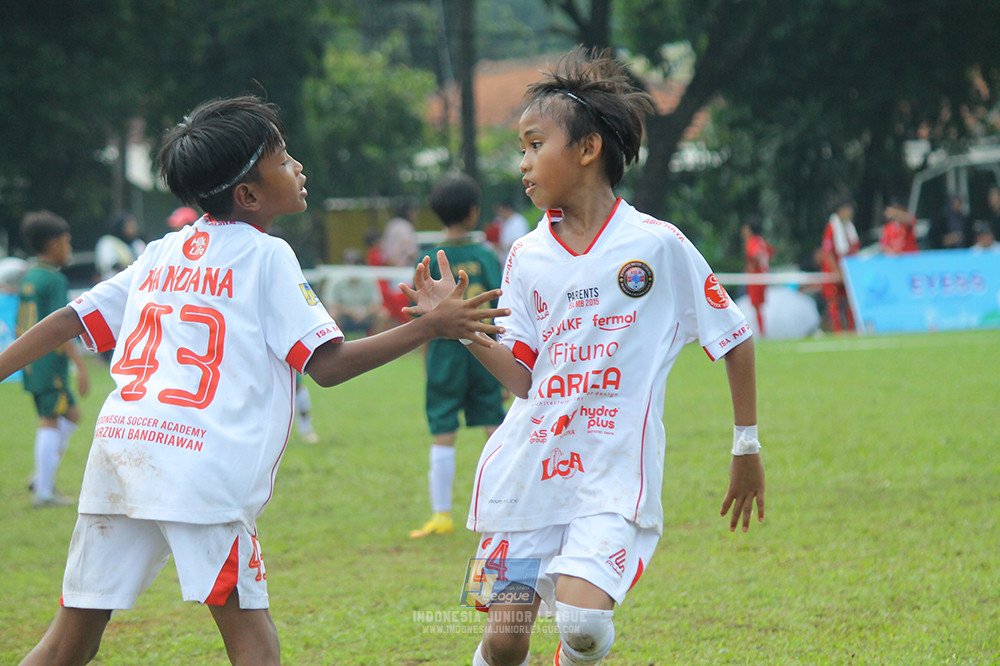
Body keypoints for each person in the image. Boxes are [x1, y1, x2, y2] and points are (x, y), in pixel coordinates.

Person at [0, 95, 506, 666]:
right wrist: (430, 326)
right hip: (201, 470)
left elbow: (69, 319)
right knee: (254, 644)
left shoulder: (164, 251)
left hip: (119, 454)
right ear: (248, 195)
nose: (299, 167)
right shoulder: (267, 255)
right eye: (284, 160)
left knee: (68, 641)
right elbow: (328, 365)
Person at [403, 48, 764, 666]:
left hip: (612, 476)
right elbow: (523, 379)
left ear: (588, 149)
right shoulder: (525, 256)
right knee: (505, 640)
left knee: (585, 625)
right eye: (520, 148)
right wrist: (463, 330)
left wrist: (746, 447)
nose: (523, 163)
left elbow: (734, 338)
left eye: (534, 144)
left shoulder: (657, 246)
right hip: (527, 471)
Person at [409, 174, 507, 540]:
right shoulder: (486, 255)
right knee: (494, 426)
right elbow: (500, 304)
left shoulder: (427, 259)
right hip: (484, 348)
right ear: (473, 211)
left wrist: (426, 360)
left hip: (444, 352)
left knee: (442, 430)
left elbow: (419, 314)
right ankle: (506, 506)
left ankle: (442, 515)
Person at [16, 211, 90, 507]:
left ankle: (41, 478)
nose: (69, 248)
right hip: (48, 362)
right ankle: (44, 492)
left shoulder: (30, 276)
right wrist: (81, 367)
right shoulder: (54, 279)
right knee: (50, 418)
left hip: (32, 362)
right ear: (53, 244)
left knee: (72, 414)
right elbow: (62, 328)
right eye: (67, 242)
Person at [326, 248, 390, 338]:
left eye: (356, 264)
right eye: (349, 263)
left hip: (366, 314)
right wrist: (350, 312)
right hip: (344, 315)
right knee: (332, 315)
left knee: (383, 314)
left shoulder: (369, 278)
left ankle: (375, 341)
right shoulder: (335, 279)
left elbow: (376, 303)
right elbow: (332, 304)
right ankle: (338, 341)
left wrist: (364, 312)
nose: (352, 268)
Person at [818, 197, 860, 332]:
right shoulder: (832, 227)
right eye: (848, 209)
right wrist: (837, 272)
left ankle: (852, 329)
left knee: (851, 299)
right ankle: (837, 330)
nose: (850, 212)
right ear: (840, 211)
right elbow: (828, 253)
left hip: (848, 270)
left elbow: (854, 249)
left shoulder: (850, 227)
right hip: (834, 271)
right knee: (834, 300)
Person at [741, 216, 773, 336]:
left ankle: (762, 333)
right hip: (763, 275)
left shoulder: (752, 241)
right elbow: (771, 251)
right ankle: (762, 332)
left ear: (749, 229)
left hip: (756, 277)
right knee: (758, 306)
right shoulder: (761, 241)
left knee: (756, 306)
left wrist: (752, 267)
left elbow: (754, 255)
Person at [95, 211, 146, 281]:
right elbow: (111, 266)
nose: (134, 229)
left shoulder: (138, 243)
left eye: (134, 226)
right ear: (120, 227)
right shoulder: (108, 242)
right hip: (114, 283)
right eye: (129, 226)